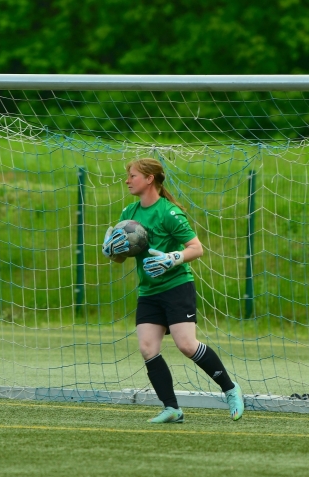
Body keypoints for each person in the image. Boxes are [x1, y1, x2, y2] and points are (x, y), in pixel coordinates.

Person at [102, 157, 244, 424]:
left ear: (149, 179)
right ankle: (172, 409)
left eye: (132, 176)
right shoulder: (129, 213)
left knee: (187, 345)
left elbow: (196, 248)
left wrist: (173, 258)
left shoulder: (169, 213)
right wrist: (111, 251)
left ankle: (230, 389)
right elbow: (121, 257)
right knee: (147, 348)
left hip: (177, 287)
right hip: (149, 291)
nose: (127, 180)